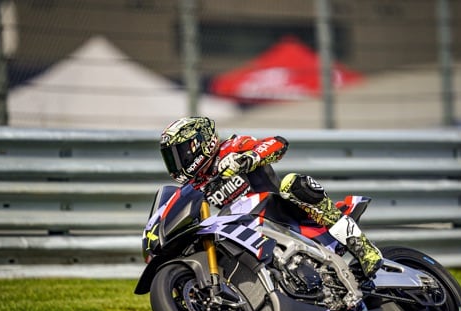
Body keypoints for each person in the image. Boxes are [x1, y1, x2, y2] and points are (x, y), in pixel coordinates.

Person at [159, 116, 382, 281]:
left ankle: (362, 247)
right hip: (245, 227)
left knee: (292, 182)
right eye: (171, 157)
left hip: (281, 212)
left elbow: (278, 143)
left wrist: (248, 158)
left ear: (199, 143)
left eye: (179, 153)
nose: (176, 162)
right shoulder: (197, 184)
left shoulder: (232, 147)